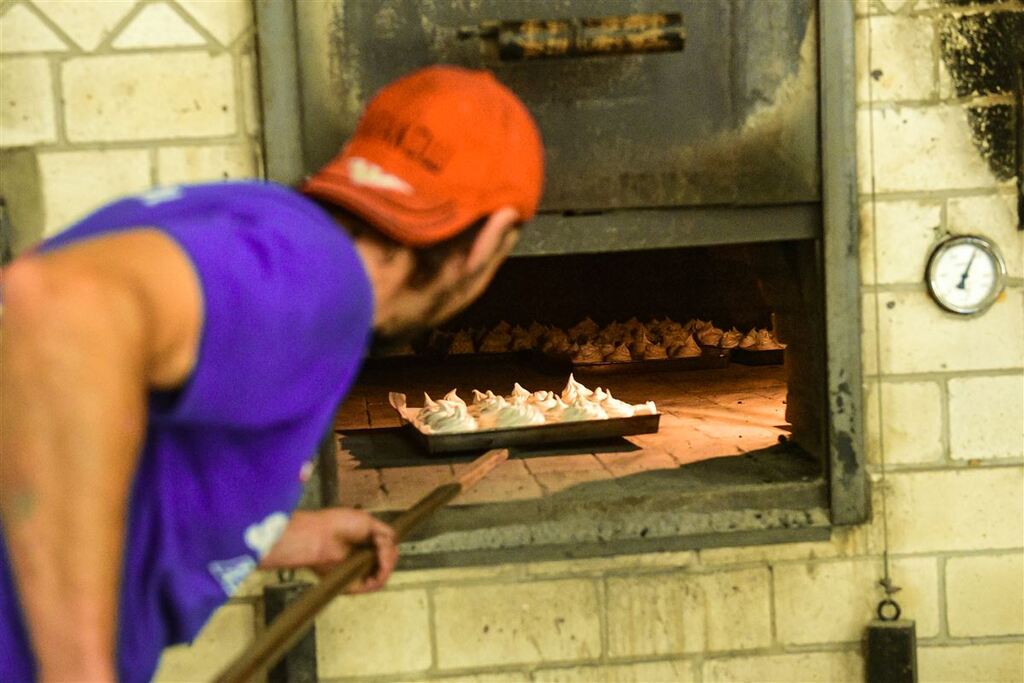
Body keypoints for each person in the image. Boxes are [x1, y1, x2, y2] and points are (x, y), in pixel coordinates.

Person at [0, 65, 543, 682]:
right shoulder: (320, 281)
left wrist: (277, 537)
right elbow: (56, 310)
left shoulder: (268, 226)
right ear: (489, 240)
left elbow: (106, 457)